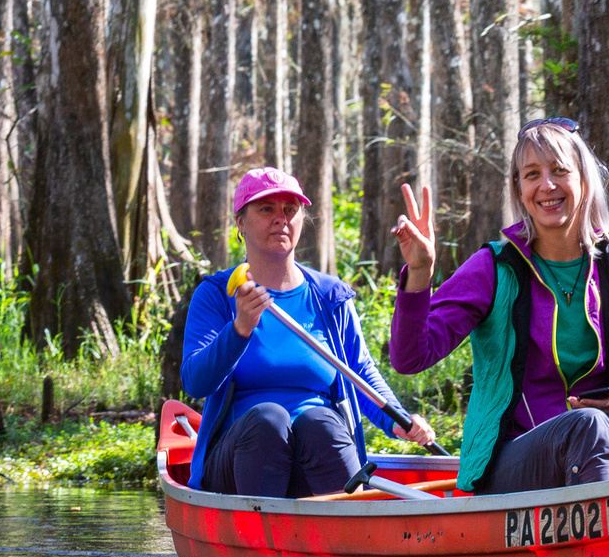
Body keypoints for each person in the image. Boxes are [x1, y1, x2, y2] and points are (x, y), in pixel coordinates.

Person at [388, 119, 609, 494]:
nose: (547, 186)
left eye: (559, 171)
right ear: (519, 190)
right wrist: (421, 270)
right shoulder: (493, 268)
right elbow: (411, 358)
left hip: (604, 451)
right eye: (532, 174)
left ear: (584, 182)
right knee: (587, 426)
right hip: (510, 463)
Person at [180, 167, 431, 496]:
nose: (280, 218)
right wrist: (239, 329)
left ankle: (349, 531)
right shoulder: (216, 295)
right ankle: (258, 534)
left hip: (315, 452)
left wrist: (395, 418)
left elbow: (359, 371)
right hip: (240, 463)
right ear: (240, 222)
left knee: (321, 422)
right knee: (269, 420)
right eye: (266, 209)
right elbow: (195, 382)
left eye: (290, 209)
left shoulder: (330, 295)